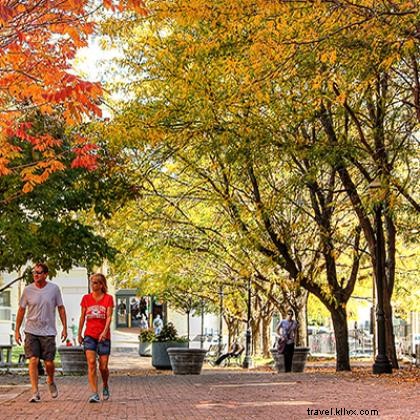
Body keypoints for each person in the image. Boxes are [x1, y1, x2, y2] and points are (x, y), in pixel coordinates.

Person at [14, 262, 67, 403]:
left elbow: (61, 308)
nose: (36, 275)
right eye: (34, 273)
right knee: (33, 360)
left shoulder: (54, 289)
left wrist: (65, 328)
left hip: (48, 331)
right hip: (31, 330)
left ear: (45, 274)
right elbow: (21, 310)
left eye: (38, 272)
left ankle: (50, 380)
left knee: (49, 362)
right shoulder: (27, 290)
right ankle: (35, 392)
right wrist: (17, 330)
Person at [78, 273, 114, 403]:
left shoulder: (108, 298)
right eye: (91, 283)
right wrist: (79, 333)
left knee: (103, 367)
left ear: (101, 285)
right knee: (92, 363)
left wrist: (104, 332)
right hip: (89, 336)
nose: (93, 285)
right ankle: (94, 393)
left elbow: (109, 317)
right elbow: (82, 317)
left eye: (95, 283)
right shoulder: (86, 299)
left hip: (104, 337)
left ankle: (105, 385)